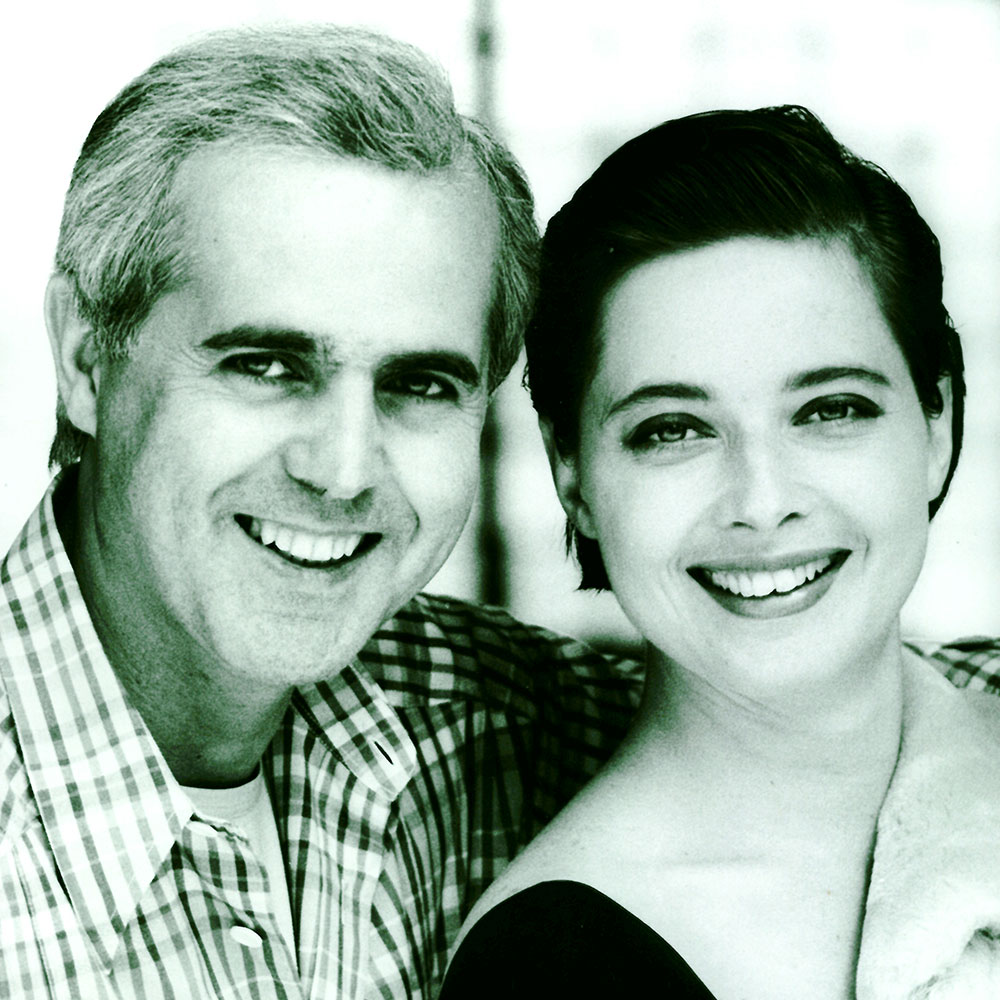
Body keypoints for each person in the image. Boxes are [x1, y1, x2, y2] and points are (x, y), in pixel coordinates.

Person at [0, 24, 648, 1000]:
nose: (343, 471)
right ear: (87, 358)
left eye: (419, 384)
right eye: (266, 366)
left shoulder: (508, 731)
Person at [439, 106, 1000, 1000]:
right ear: (572, 475)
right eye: (673, 429)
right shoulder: (558, 968)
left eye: (831, 410)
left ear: (938, 425)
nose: (762, 502)